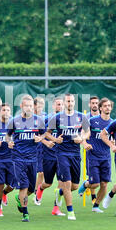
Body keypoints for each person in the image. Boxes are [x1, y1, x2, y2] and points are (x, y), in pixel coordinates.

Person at [45, 93, 90, 221]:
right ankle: (70, 211)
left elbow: (88, 132)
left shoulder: (81, 117)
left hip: (75, 154)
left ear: (74, 102)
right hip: (62, 154)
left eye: (71, 101)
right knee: (67, 182)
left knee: (74, 186)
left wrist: (81, 138)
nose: (69, 103)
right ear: (64, 103)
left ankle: (60, 193)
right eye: (67, 101)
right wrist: (55, 140)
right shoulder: (57, 117)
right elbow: (47, 133)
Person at [6, 95, 46, 222]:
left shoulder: (38, 120)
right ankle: (25, 214)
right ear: (21, 106)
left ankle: (20, 199)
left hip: (33, 158)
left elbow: (44, 133)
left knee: (31, 188)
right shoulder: (14, 121)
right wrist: (9, 142)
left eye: (30, 106)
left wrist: (40, 138)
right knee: (23, 186)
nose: (28, 108)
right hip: (18, 158)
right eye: (26, 106)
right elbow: (8, 135)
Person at [78, 98, 114, 213]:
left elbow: (114, 138)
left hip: (106, 157)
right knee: (95, 184)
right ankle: (85, 184)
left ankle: (96, 206)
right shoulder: (92, 120)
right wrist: (84, 143)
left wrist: (114, 143)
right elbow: (82, 133)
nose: (107, 107)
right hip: (93, 156)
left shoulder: (113, 123)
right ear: (100, 108)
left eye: (109, 105)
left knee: (104, 184)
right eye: (105, 106)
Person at [34, 96, 65, 215]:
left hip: (62, 155)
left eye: (61, 104)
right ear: (53, 106)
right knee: (48, 183)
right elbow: (40, 134)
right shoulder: (47, 119)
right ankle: (40, 189)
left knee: (62, 182)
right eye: (57, 104)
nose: (60, 106)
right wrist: (49, 141)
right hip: (48, 155)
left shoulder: (67, 120)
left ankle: (56, 208)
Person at [34, 96, 47, 204]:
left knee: (41, 172)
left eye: (42, 104)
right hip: (30, 147)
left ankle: (36, 193)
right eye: (39, 104)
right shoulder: (29, 117)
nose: (41, 106)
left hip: (42, 147)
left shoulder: (46, 116)